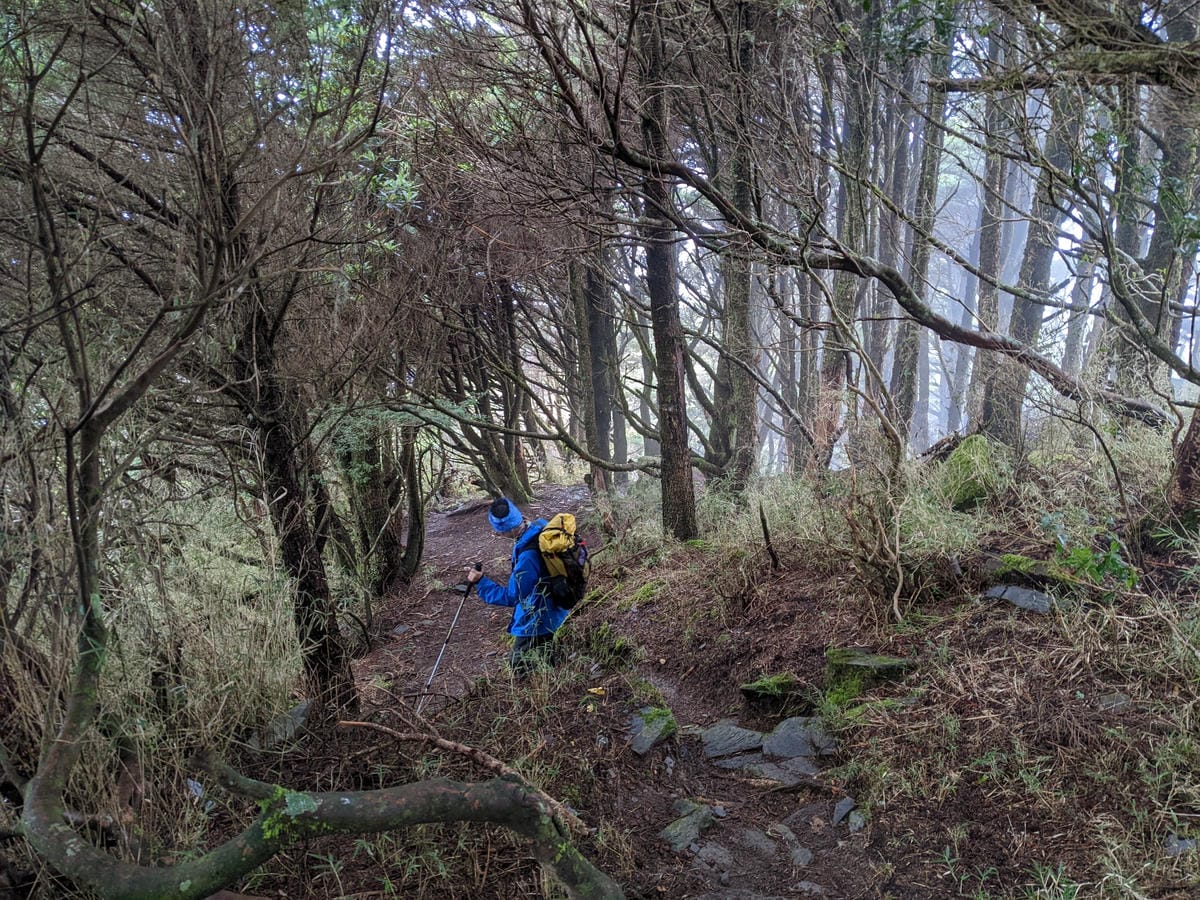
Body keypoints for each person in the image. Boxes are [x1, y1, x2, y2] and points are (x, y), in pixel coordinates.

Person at [466, 497, 569, 674]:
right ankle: (552, 674)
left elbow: (513, 596)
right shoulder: (539, 526)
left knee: (518, 664)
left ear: (504, 531)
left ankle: (539, 693)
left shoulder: (527, 557)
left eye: (497, 531)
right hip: (557, 604)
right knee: (545, 651)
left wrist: (481, 582)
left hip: (539, 616)